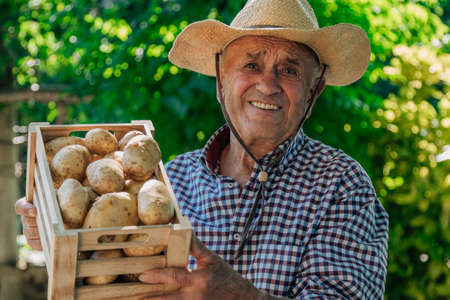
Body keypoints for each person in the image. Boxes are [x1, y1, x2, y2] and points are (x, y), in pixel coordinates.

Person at [16, 0, 389, 299]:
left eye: (289, 71)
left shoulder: (342, 185)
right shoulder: (169, 181)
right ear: (222, 77)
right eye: (251, 64)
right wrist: (56, 237)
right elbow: (109, 278)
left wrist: (242, 297)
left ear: (314, 90)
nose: (267, 85)